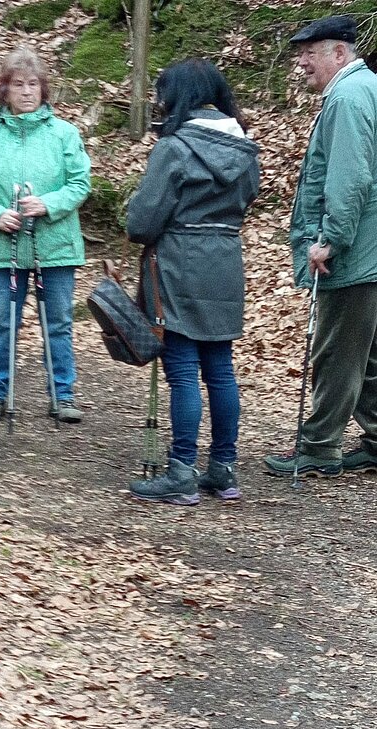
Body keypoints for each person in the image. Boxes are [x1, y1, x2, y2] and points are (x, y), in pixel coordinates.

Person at [126, 59, 259, 505]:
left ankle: (181, 471)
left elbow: (142, 223)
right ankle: (222, 468)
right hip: (225, 261)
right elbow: (246, 200)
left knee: (183, 371)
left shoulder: (175, 147)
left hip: (179, 264)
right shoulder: (245, 148)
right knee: (220, 370)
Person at [264, 15, 377, 479]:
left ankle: (319, 447)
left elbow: (350, 179)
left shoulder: (348, 98)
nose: (302, 63)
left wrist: (329, 241)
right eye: (300, 54)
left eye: (311, 53)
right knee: (368, 353)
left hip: (356, 253)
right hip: (371, 249)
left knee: (337, 353)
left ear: (340, 53)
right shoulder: (367, 88)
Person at [0, 47, 91, 424]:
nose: (26, 92)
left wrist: (48, 204)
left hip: (56, 246)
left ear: (43, 88)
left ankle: (63, 395)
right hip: (5, 248)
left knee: (58, 323)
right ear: (4, 90)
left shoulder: (64, 134)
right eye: (18, 84)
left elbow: (80, 183)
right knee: (2, 321)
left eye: (33, 84)